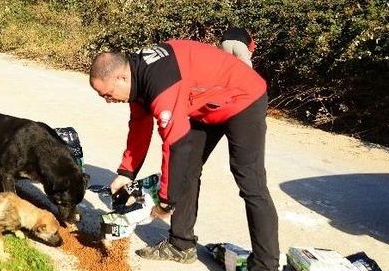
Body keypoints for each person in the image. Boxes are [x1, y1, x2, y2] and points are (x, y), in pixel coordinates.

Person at [88, 41, 279, 270]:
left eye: (108, 94)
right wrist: (126, 173)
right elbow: (139, 124)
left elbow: (176, 145)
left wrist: (166, 202)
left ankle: (266, 264)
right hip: (206, 101)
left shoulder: (160, 83)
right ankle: (181, 245)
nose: (109, 101)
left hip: (243, 97)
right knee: (187, 171)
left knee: (250, 182)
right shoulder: (136, 76)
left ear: (121, 78)